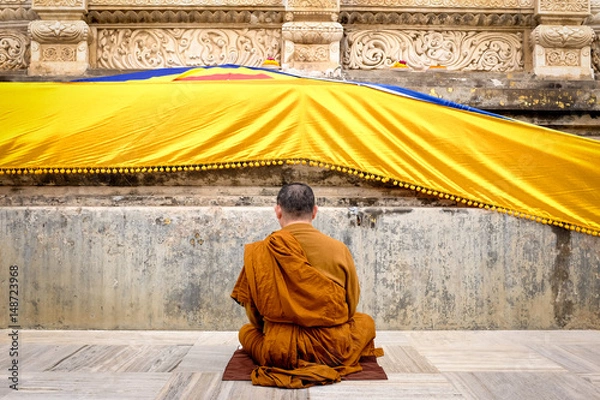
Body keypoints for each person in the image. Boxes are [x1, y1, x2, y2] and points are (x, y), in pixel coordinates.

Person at [231, 182, 383, 388]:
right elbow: (350, 305)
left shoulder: (262, 252)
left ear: (278, 211)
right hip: (332, 350)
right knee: (365, 322)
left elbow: (255, 315)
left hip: (279, 350)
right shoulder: (338, 249)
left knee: (246, 331)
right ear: (314, 212)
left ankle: (280, 350)